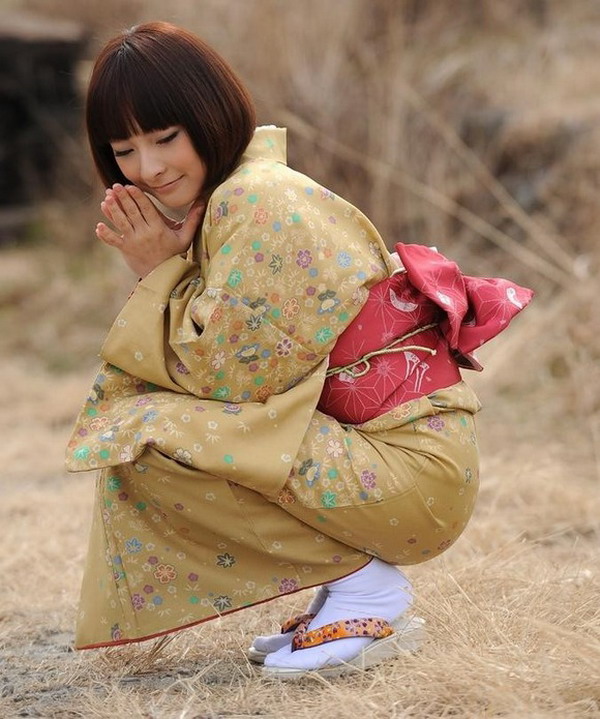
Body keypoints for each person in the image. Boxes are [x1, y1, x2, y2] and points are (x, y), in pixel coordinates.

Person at [66, 21, 532, 679]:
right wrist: (169, 268)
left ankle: (369, 589)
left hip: (411, 475)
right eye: (125, 150)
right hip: (391, 462)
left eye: (165, 138)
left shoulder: (259, 199)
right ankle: (345, 587)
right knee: (149, 425)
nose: (149, 168)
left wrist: (157, 272)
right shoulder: (232, 199)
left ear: (211, 113)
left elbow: (221, 382)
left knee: (148, 431)